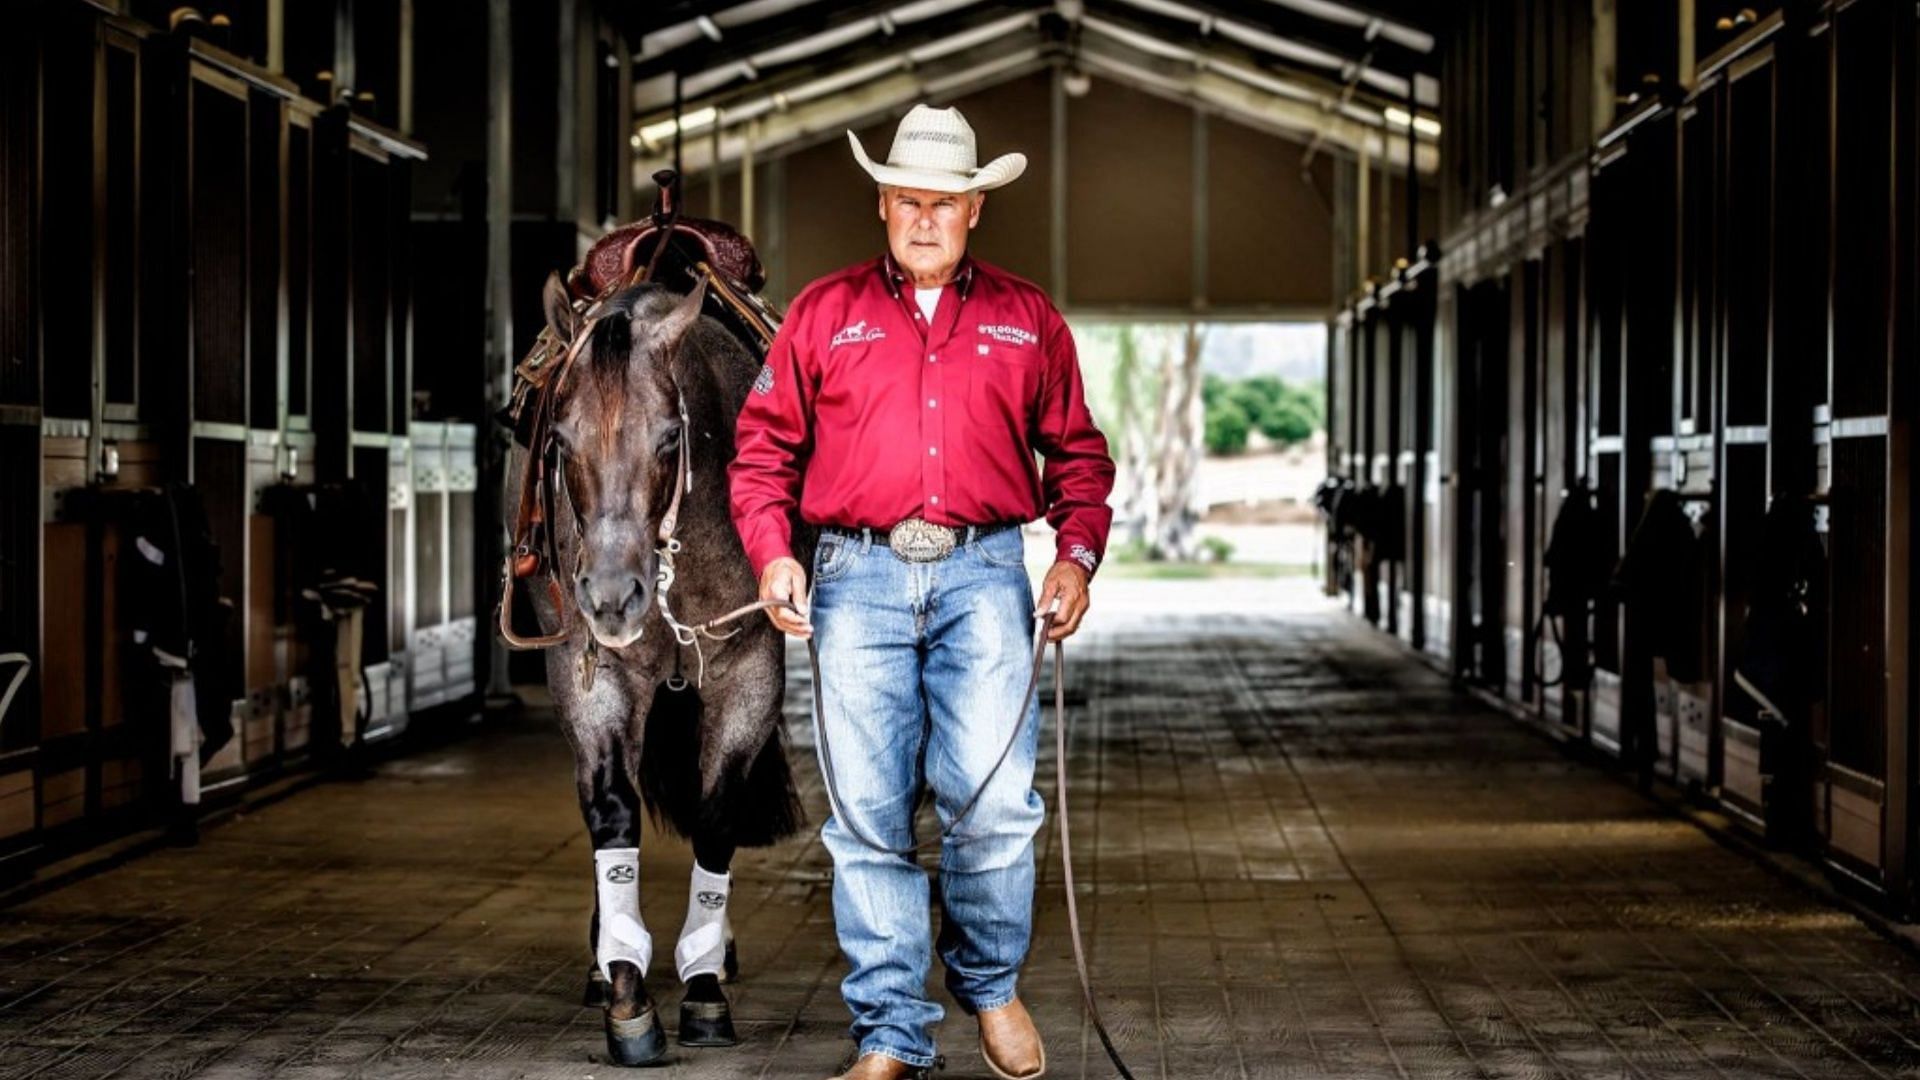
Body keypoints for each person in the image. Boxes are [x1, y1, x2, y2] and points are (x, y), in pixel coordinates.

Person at [727, 103, 1116, 1080]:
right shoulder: (824, 312)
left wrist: (1075, 557)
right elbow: (762, 449)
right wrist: (776, 553)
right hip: (854, 577)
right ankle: (891, 1036)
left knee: (991, 802)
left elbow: (1079, 454)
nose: (926, 219)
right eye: (908, 201)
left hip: (984, 572)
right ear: (884, 204)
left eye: (946, 203)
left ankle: (988, 985)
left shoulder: (1028, 320)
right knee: (866, 816)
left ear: (976, 208)